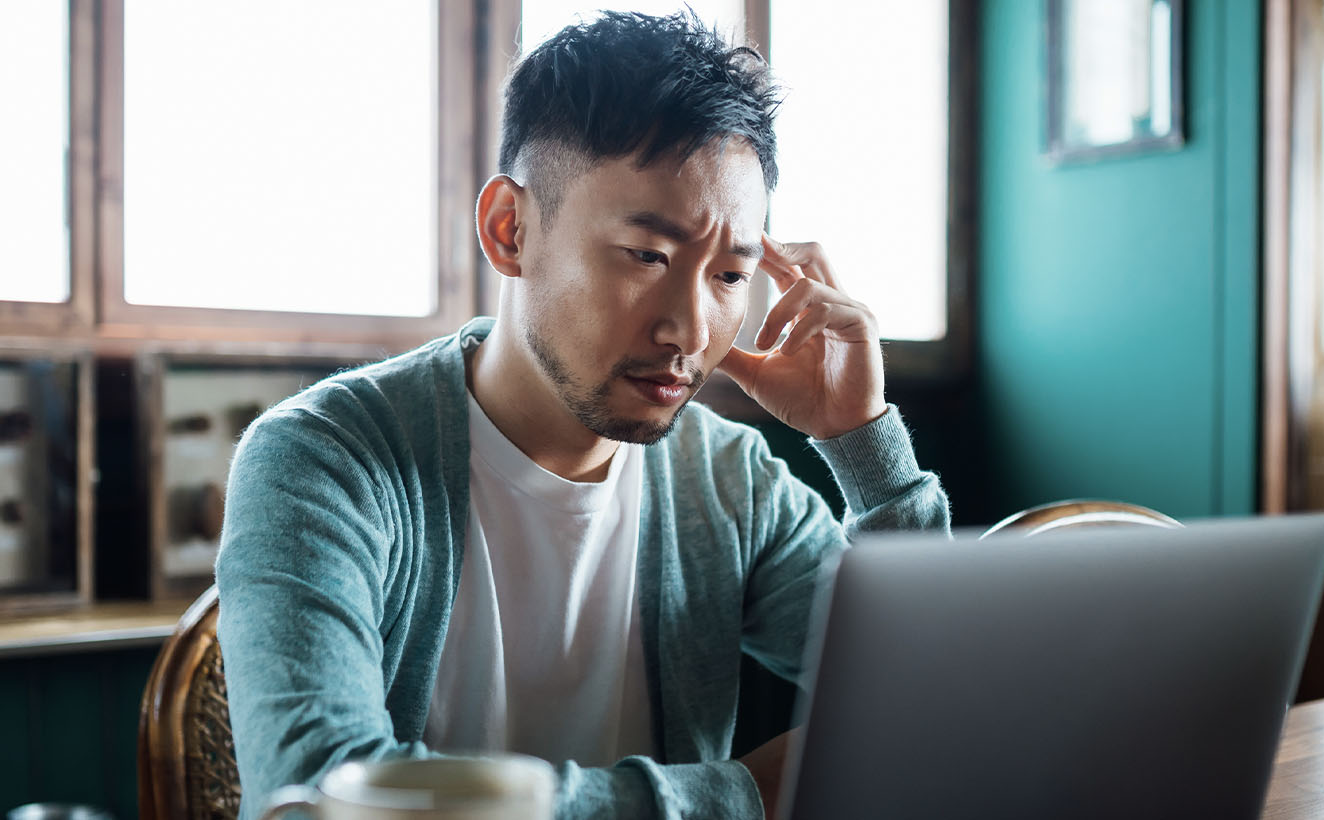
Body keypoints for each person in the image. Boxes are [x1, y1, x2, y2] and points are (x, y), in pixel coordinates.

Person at [216, 10, 950, 819]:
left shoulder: (728, 480)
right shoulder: (324, 460)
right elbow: (316, 793)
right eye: (648, 256)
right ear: (511, 230)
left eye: (731, 276)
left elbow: (943, 699)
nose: (690, 330)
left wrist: (862, 445)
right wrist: (745, 797)